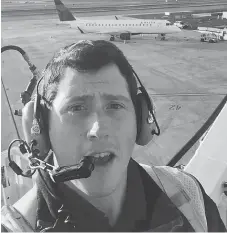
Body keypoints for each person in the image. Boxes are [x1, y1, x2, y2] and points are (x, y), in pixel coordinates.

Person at [1, 40, 226, 232]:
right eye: (77, 108)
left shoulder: (188, 194)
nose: (98, 129)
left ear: (140, 119)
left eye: (115, 106)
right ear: (40, 127)